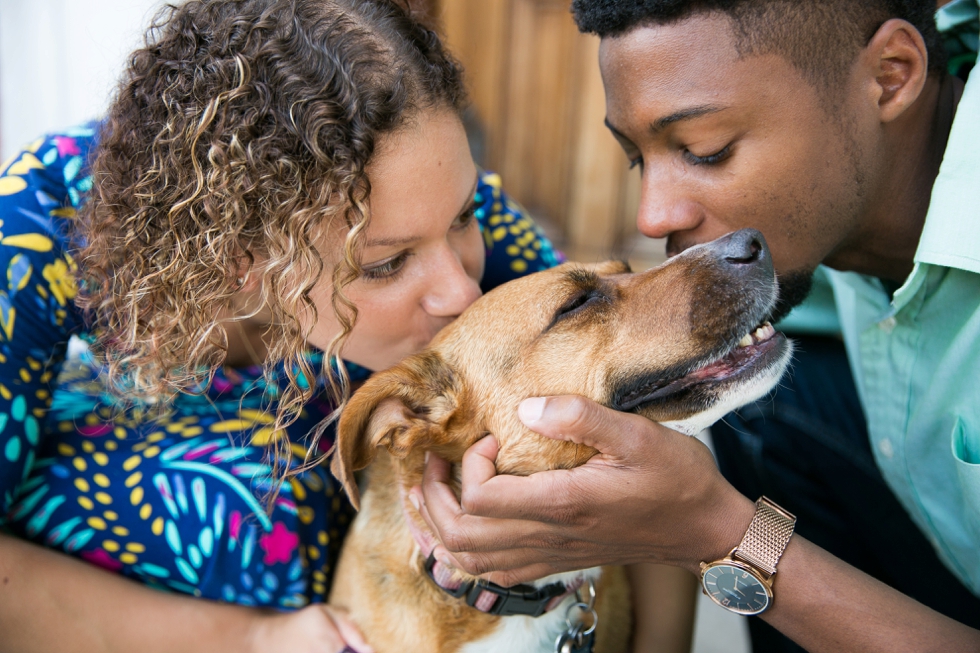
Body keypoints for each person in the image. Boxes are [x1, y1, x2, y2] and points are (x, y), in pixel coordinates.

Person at [414, 1, 980, 651]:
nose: (653, 216)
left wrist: (715, 534)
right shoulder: (832, 200)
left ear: (890, 74)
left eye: (706, 150)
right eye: (636, 160)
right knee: (758, 402)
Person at [0, 1, 564, 651]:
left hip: (299, 405)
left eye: (464, 215)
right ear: (239, 257)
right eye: (385, 263)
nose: (461, 288)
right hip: (130, 418)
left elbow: (613, 359)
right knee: (249, 522)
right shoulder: (42, 221)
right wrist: (252, 639)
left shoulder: (417, 187)